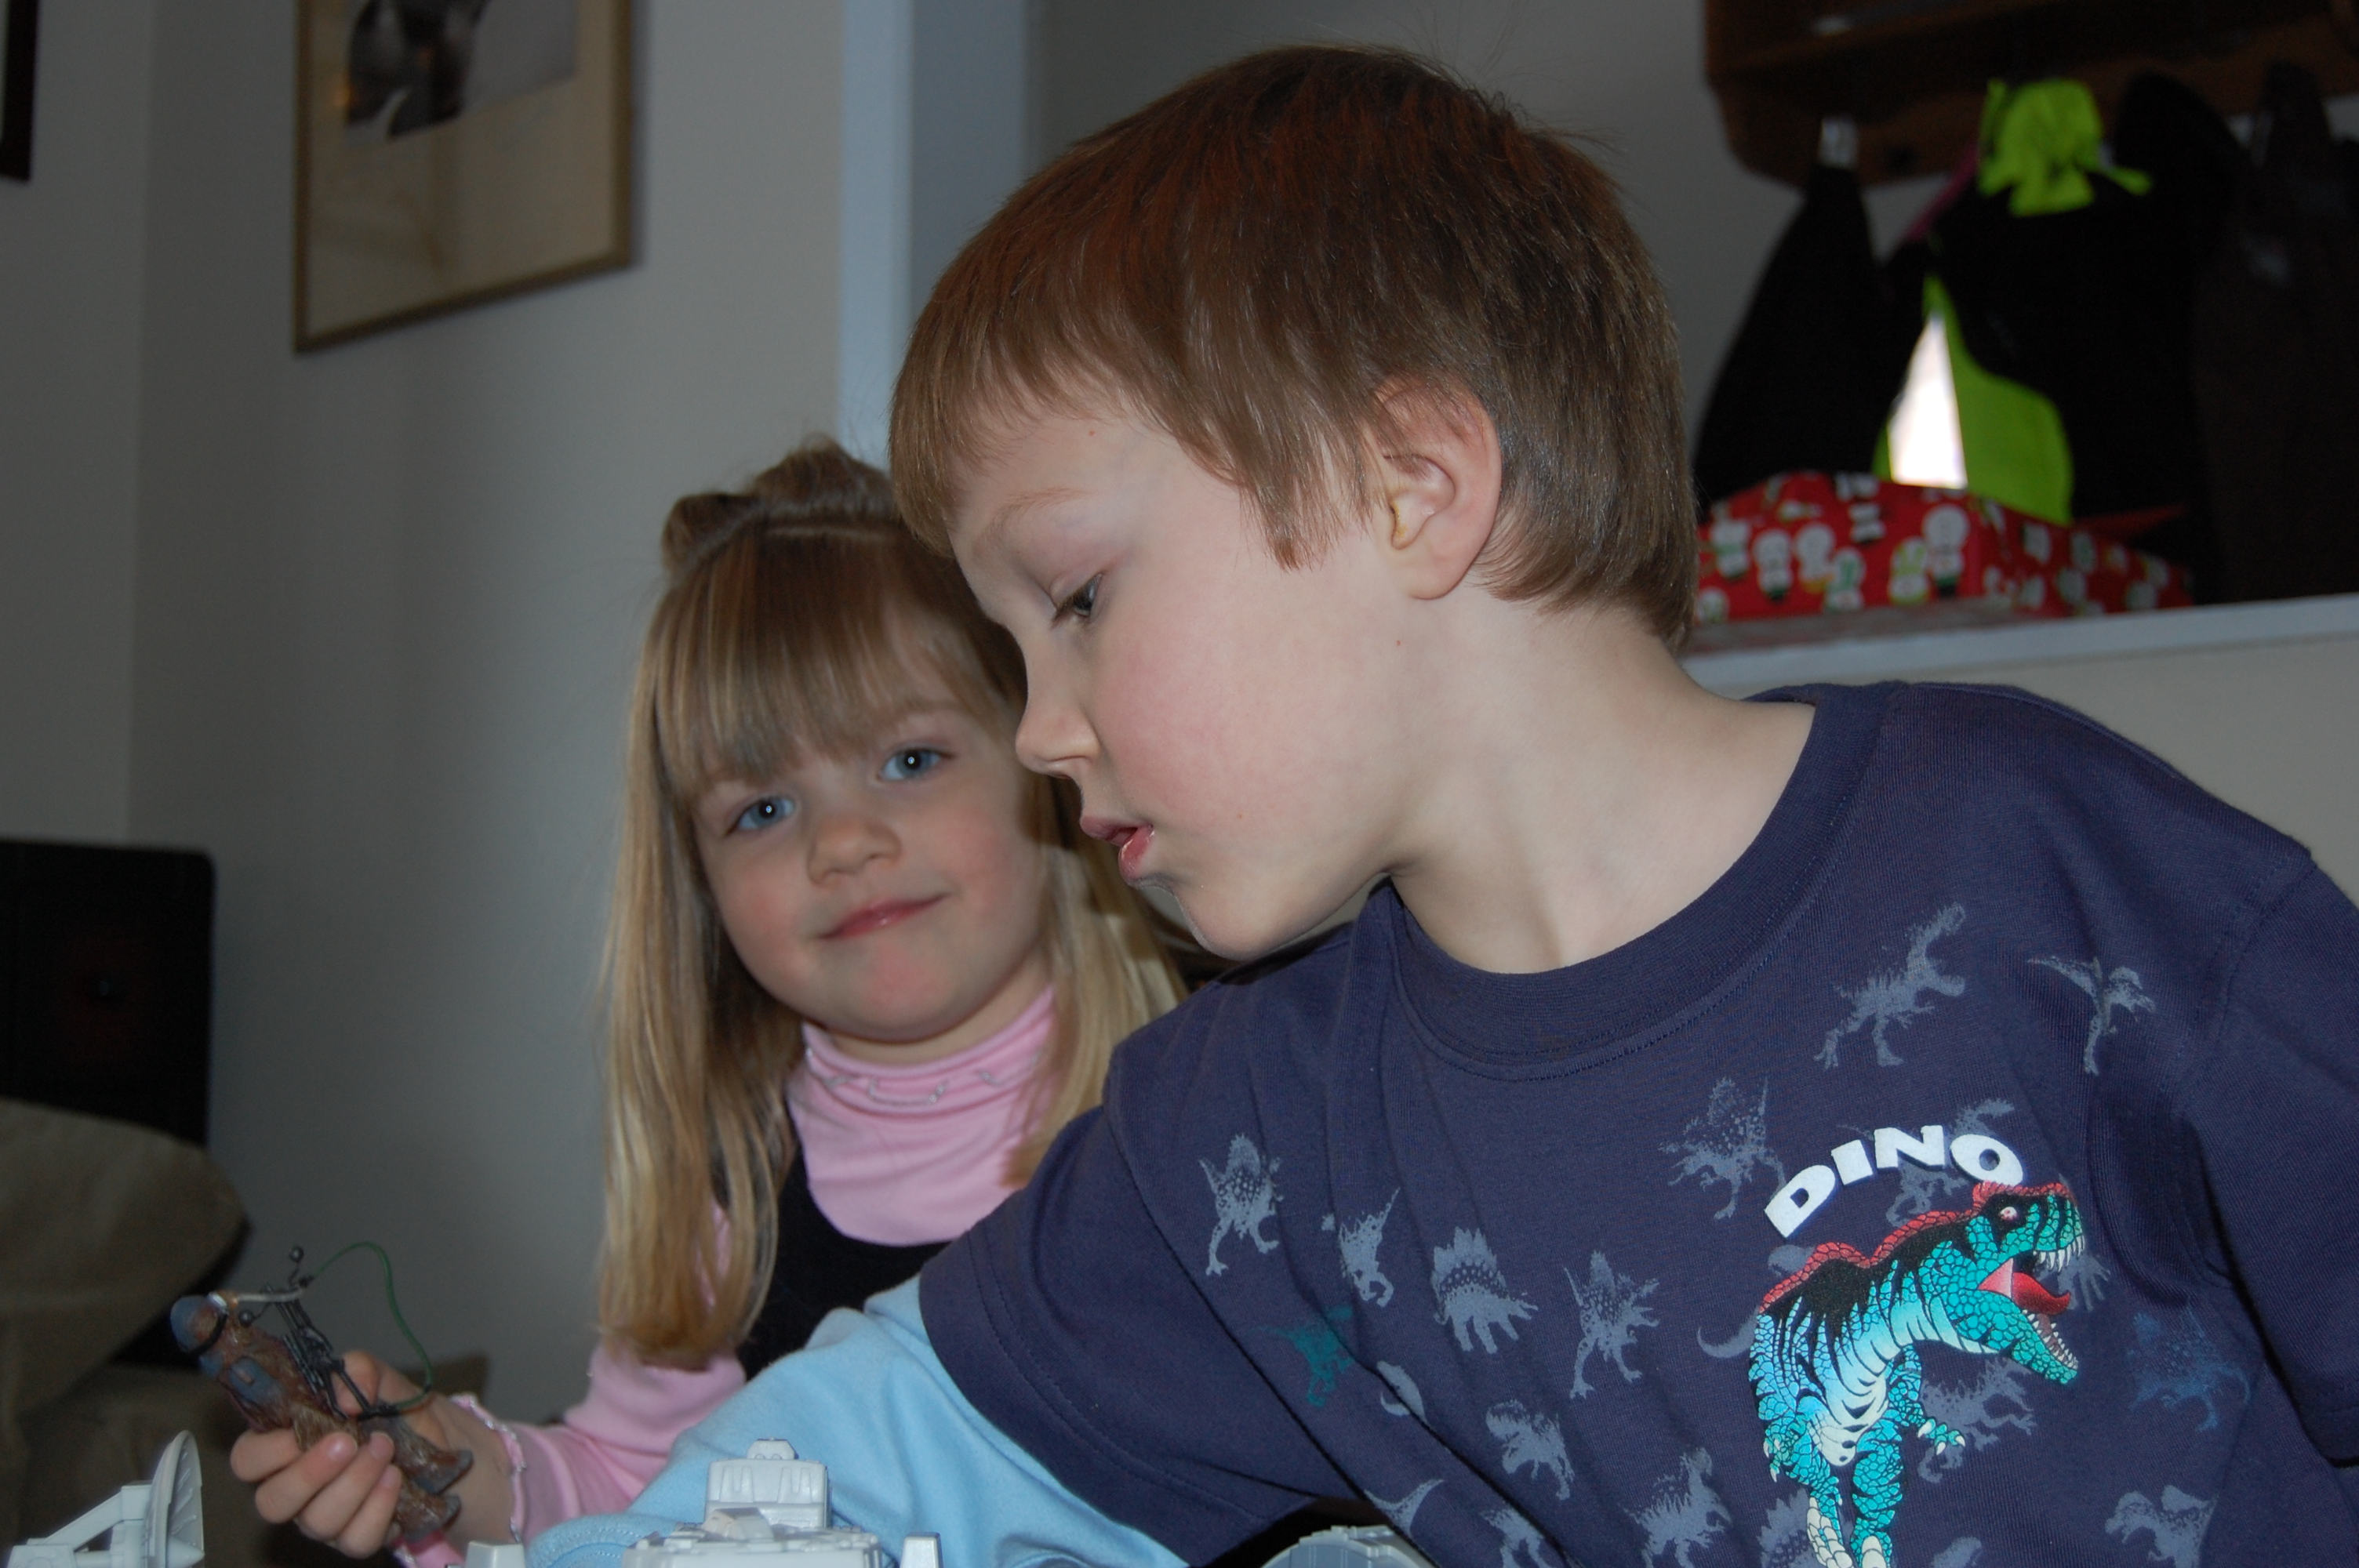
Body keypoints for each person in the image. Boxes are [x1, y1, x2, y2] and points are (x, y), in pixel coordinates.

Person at [539, 47, 2359, 1568]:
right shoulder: (1247, 1134)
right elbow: (884, 1439)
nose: (1037, 733)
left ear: (1412, 487)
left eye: (1076, 599)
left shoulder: (2040, 865)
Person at [230, 441, 1185, 1562]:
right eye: (762, 811)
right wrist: (450, 1469)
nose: (843, 843)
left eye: (911, 760)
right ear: (702, 888)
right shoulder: (736, 1196)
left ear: (1047, 757)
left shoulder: (1205, 1112)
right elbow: (637, 1491)